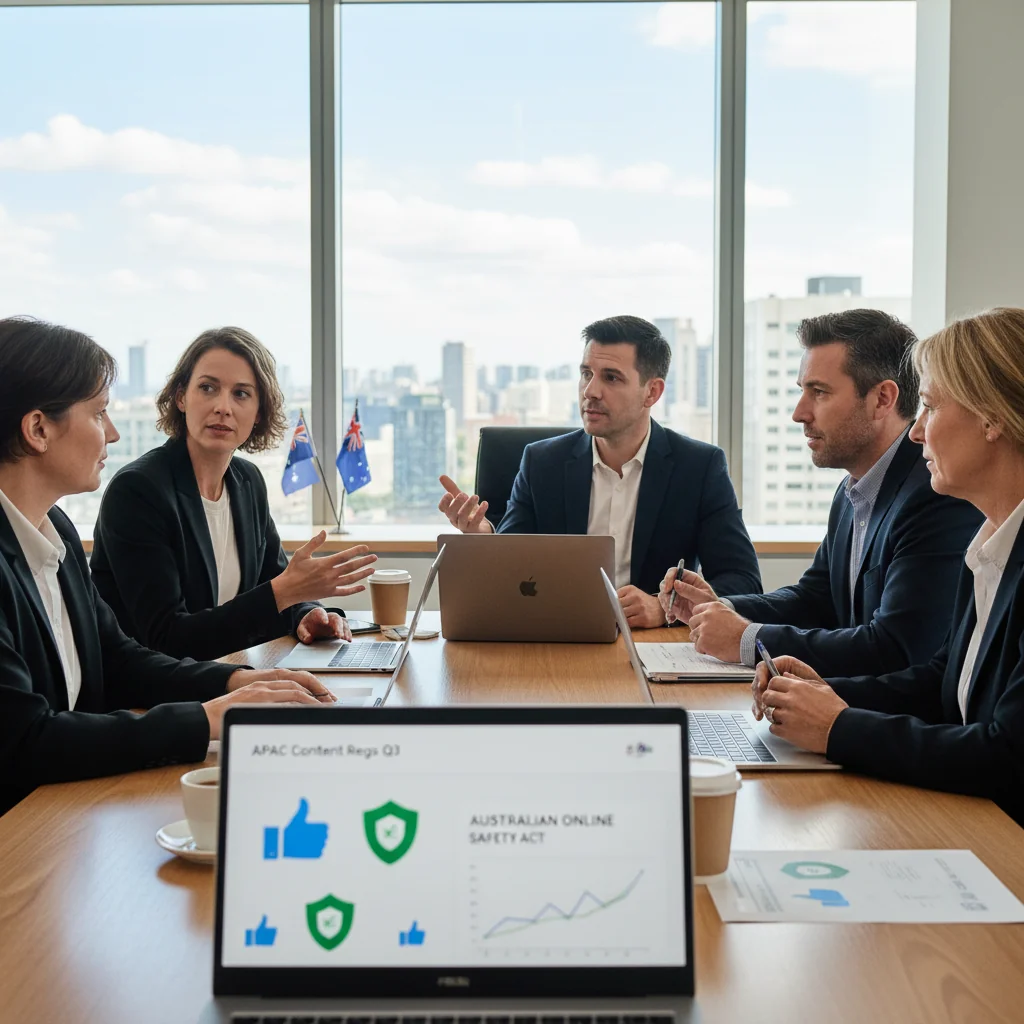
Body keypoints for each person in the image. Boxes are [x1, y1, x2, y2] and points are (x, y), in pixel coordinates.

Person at [0, 317, 337, 815]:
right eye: (99, 414)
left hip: (70, 802)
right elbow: (26, 740)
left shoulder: (58, 532)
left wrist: (233, 684)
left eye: (242, 393)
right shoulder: (139, 490)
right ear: (38, 429)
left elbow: (118, 659)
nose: (113, 434)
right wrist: (207, 719)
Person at [750, 307, 1024, 826]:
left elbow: (1006, 755)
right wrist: (823, 696)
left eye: (931, 408)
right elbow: (942, 682)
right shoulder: (990, 541)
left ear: (992, 418)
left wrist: (838, 726)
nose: (917, 432)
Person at [660, 309, 982, 677]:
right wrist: (718, 606)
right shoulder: (854, 489)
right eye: (802, 391)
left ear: (882, 399)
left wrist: (748, 638)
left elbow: (896, 648)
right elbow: (816, 599)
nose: (799, 413)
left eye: (819, 392)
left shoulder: (934, 494)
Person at [438, 315, 761, 628]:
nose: (590, 391)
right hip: (557, 638)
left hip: (651, 649)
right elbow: (514, 566)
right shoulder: (541, 462)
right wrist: (483, 538)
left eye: (611, 377)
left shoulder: (699, 467)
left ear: (652, 392)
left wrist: (666, 607)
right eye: (585, 373)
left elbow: (743, 582)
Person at [90, 327, 377, 661]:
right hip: (152, 701)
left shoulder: (247, 480)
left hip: (221, 677)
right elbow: (166, 639)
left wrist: (306, 613)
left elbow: (273, 580)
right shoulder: (138, 491)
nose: (223, 407)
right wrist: (284, 592)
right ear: (181, 397)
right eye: (208, 388)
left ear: (258, 413)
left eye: (241, 394)